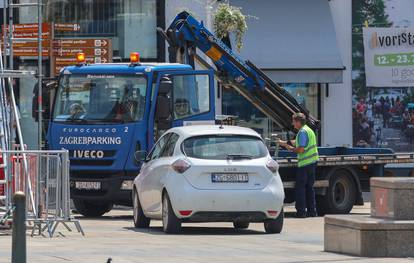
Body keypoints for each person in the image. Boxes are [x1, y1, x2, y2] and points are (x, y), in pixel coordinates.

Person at [278, 113, 319, 218]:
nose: (292, 124)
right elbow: (297, 142)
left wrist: (289, 148)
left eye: (293, 121)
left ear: (298, 122)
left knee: (300, 188)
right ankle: (312, 212)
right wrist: (284, 142)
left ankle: (301, 212)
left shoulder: (302, 132)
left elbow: (300, 149)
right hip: (312, 162)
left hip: (304, 164)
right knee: (310, 188)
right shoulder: (308, 130)